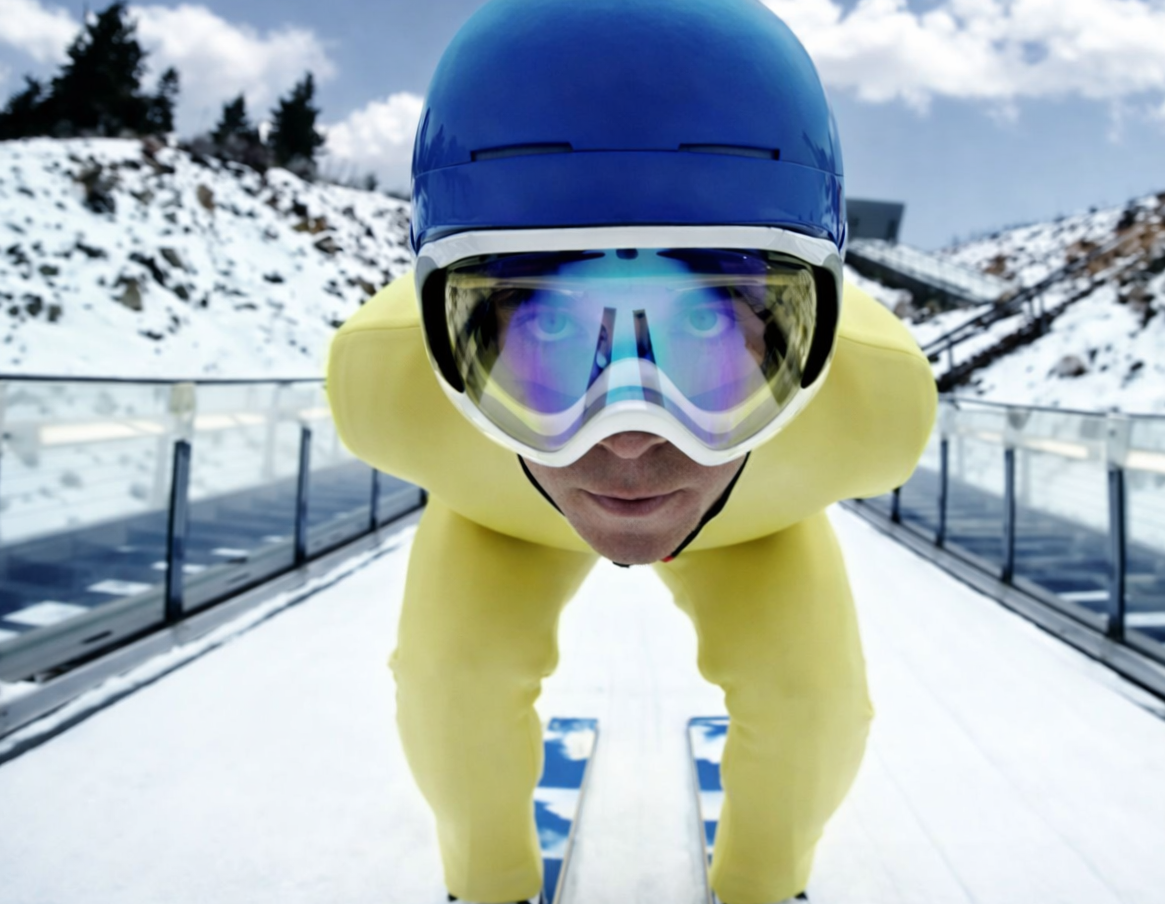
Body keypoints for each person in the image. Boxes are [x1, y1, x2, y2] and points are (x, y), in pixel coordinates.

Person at [326, 1, 936, 901]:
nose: (630, 441)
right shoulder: (864, 415)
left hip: (516, 500)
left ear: (819, 331)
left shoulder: (395, 396)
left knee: (811, 706)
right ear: (442, 339)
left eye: (705, 329)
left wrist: (534, 382)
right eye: (546, 332)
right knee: (452, 686)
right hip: (716, 509)